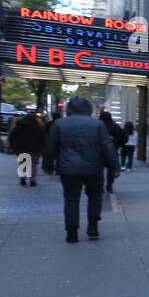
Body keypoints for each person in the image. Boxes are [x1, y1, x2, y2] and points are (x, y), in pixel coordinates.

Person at [41, 96, 120, 243]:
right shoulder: (98, 125)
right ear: (89, 109)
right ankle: (93, 226)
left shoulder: (59, 124)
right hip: (94, 168)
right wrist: (114, 167)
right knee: (95, 195)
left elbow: (50, 147)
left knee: (71, 199)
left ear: (69, 109)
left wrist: (47, 166)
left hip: (68, 169)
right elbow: (107, 147)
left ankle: (72, 232)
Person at [8, 111, 46, 186]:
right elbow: (43, 138)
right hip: (34, 149)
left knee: (23, 164)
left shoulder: (18, 126)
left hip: (20, 148)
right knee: (33, 165)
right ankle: (32, 180)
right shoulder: (38, 127)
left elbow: (12, 137)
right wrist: (42, 147)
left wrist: (11, 146)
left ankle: (23, 178)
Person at [99, 111, 126, 192]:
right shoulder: (116, 128)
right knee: (111, 170)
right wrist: (119, 145)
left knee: (99, 170)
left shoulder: (98, 126)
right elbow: (125, 138)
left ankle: (100, 186)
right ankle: (109, 185)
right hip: (113, 151)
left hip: (99, 153)